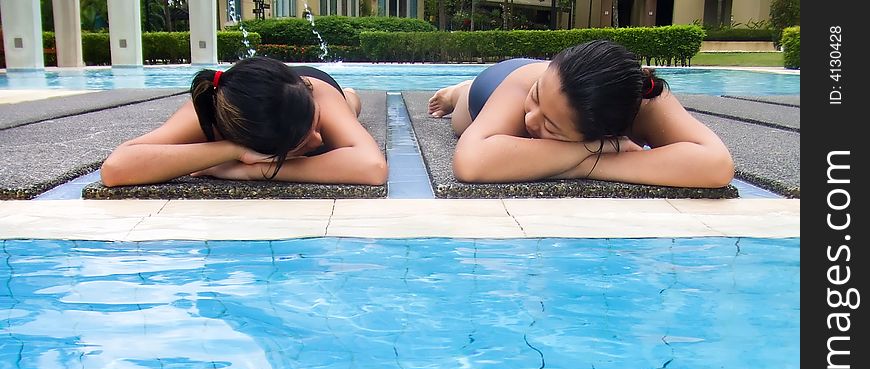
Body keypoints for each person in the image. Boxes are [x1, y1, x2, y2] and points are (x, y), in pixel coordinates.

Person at [427, 40, 734, 188]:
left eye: (551, 125)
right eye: (537, 102)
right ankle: (459, 90)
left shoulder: (644, 98)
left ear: (603, 131)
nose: (530, 120)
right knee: (461, 117)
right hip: (495, 86)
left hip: (553, 90)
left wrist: (592, 162)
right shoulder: (529, 87)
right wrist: (595, 150)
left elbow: (716, 165)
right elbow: (470, 163)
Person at [101, 56, 387, 187]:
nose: (318, 140)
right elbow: (116, 168)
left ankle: (349, 96)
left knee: (348, 108)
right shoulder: (211, 110)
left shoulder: (315, 94)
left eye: (316, 125)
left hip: (304, 85)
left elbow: (371, 168)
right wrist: (232, 152)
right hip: (265, 103)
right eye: (303, 140)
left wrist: (249, 172)